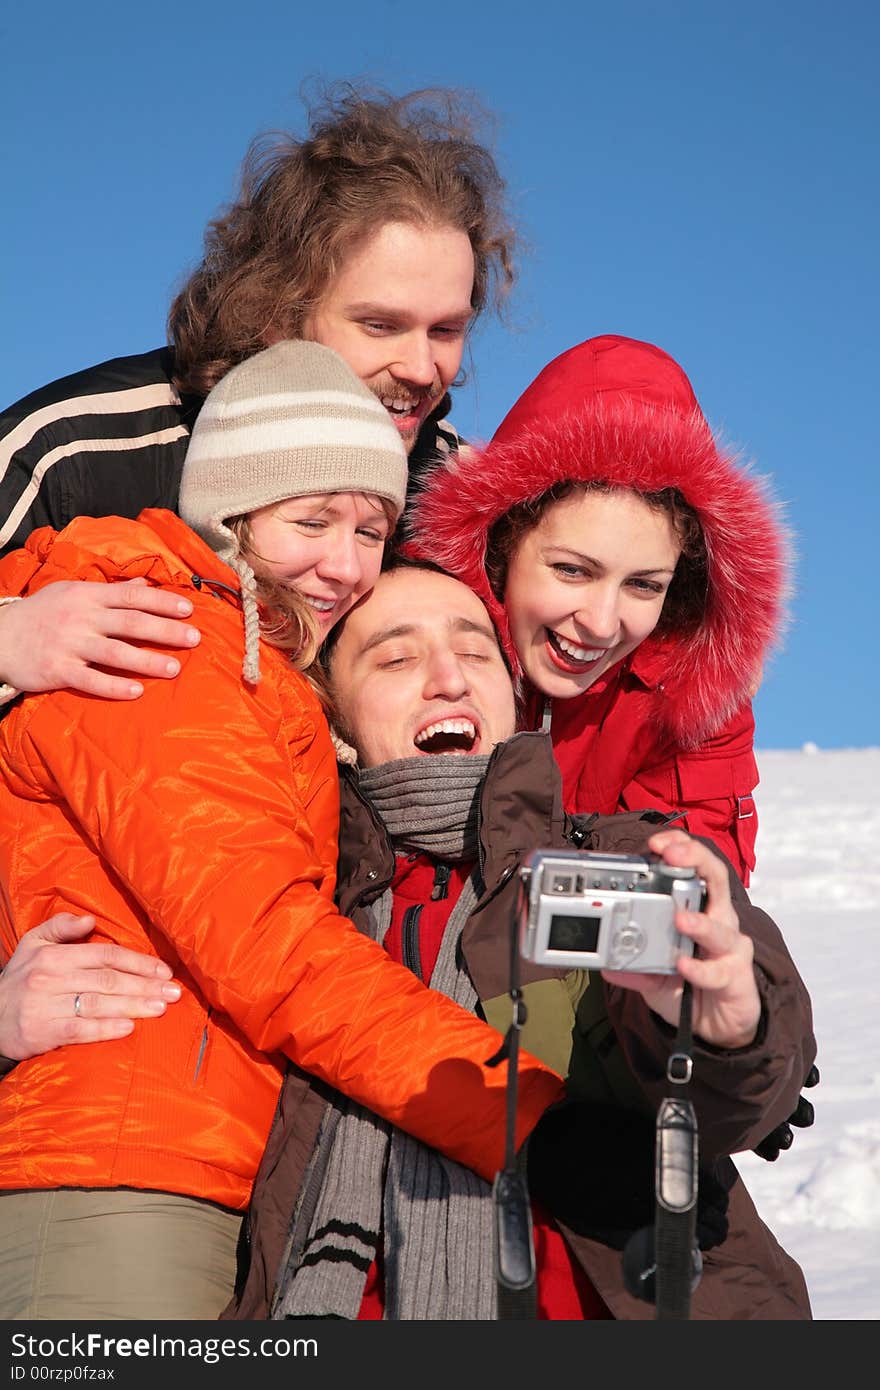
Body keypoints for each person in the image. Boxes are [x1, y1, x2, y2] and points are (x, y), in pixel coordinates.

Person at [0, 341, 563, 1322]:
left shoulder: (255, 667)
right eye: (311, 520)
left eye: (371, 529)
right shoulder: (163, 637)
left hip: (189, 1170)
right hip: (120, 1176)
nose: (344, 566)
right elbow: (269, 943)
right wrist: (520, 1110)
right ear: (232, 512)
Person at [224, 559, 815, 1321]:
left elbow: (738, 1100)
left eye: (475, 653)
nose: (448, 679)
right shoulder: (287, 906)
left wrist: (727, 1026)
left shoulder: (618, 858)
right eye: (397, 657)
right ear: (333, 718)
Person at [0, 82, 506, 702]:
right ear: (276, 311)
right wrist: (8, 637)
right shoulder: (76, 450)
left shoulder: (451, 490)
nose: (424, 368)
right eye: (380, 325)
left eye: (447, 329)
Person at [409, 333, 789, 885]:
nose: (603, 623)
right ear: (503, 541)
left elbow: (701, 890)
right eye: (572, 571)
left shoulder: (693, 697)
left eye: (643, 585)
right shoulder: (420, 648)